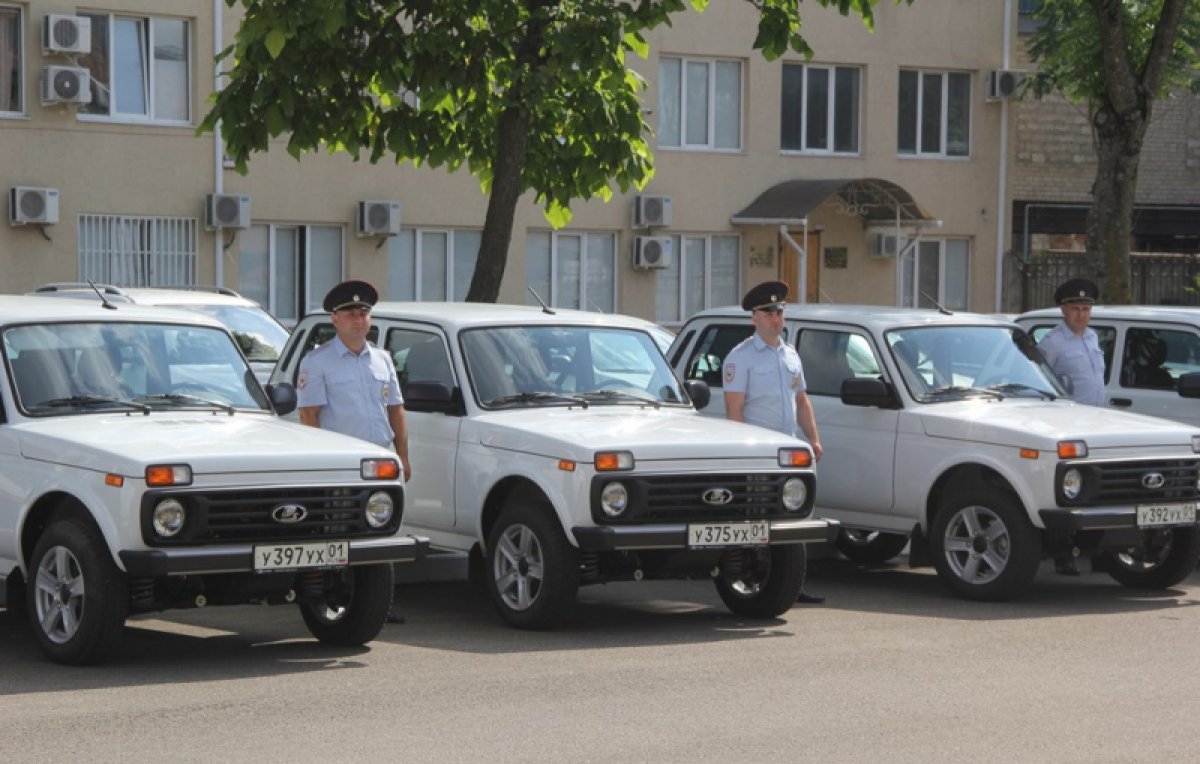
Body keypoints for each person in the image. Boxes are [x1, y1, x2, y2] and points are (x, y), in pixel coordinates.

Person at [297, 279, 410, 620]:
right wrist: (318, 467)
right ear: (334, 319)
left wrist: (403, 455)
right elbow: (309, 415)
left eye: (363, 313)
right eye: (349, 313)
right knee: (341, 536)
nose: (358, 319)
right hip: (341, 464)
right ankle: (339, 600)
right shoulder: (317, 363)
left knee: (381, 528)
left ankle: (378, 603)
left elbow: (396, 410)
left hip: (380, 460)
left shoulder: (383, 360)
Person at [722, 281, 826, 604]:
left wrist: (813, 439)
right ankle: (753, 577)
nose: (775, 318)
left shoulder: (790, 354)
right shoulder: (740, 358)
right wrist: (743, 455)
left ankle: (793, 583)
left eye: (779, 311)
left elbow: (801, 400)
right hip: (758, 454)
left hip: (790, 451)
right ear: (754, 318)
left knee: (795, 516)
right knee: (757, 519)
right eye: (768, 313)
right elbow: (734, 411)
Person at [1036, 277, 1103, 575]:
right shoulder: (1052, 343)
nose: (1081, 314)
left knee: (1099, 492)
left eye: (1086, 309)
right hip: (1069, 424)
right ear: (1062, 310)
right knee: (1070, 491)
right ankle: (1063, 553)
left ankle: (1096, 550)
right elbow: (1040, 382)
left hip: (1098, 422)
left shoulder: (1092, 338)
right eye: (1075, 309)